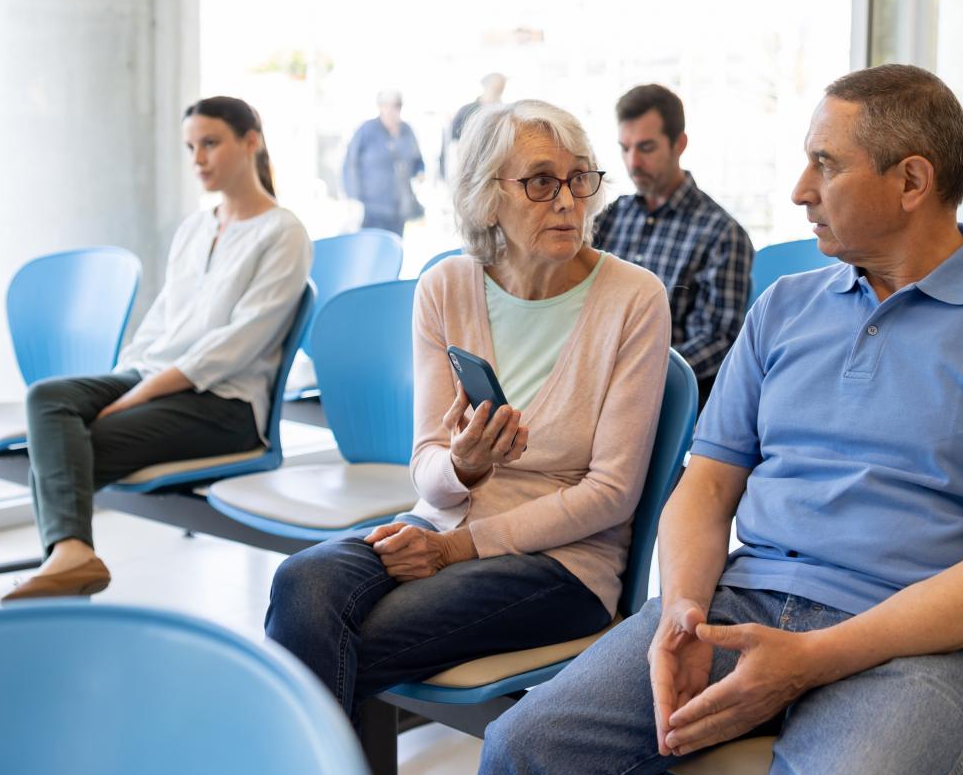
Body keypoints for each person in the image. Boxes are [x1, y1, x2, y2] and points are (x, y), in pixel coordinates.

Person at [471, 65, 963, 775]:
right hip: (746, 603)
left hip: (930, 649)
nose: (802, 189)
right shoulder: (786, 306)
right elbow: (704, 489)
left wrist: (812, 661)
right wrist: (684, 611)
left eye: (825, 165)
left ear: (911, 181)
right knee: (521, 748)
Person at [266, 100, 670, 718]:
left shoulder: (634, 297)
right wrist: (463, 467)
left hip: (564, 564)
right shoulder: (446, 286)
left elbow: (611, 494)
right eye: (541, 181)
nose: (568, 201)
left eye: (580, 178)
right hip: (436, 527)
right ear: (488, 196)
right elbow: (426, 467)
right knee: (303, 582)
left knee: (333, 641)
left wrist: (459, 549)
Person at [4, 96, 311, 601]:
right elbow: (160, 323)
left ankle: (66, 565)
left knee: (64, 452)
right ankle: (72, 555)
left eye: (210, 144)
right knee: (47, 399)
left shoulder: (284, 232)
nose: (198, 159)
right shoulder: (196, 228)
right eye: (191, 147)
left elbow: (236, 345)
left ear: (250, 142)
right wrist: (126, 380)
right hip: (153, 373)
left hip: (224, 404)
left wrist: (139, 395)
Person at [593, 83, 753, 406]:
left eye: (646, 148)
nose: (633, 162)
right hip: (596, 384)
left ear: (679, 144)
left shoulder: (721, 234)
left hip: (665, 401)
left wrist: (633, 373)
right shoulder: (609, 217)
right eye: (625, 148)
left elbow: (717, 342)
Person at [340, 89, 425, 236]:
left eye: (396, 106)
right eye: (387, 106)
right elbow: (350, 164)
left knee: (394, 246)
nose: (391, 110)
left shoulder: (407, 131)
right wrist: (352, 197)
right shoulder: (367, 130)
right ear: (380, 107)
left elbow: (417, 160)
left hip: (399, 207)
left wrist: (420, 171)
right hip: (372, 207)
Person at [440, 72, 506, 180]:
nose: (497, 92)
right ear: (486, 86)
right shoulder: (466, 111)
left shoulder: (504, 114)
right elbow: (454, 145)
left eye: (500, 89)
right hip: (468, 171)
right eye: (495, 88)